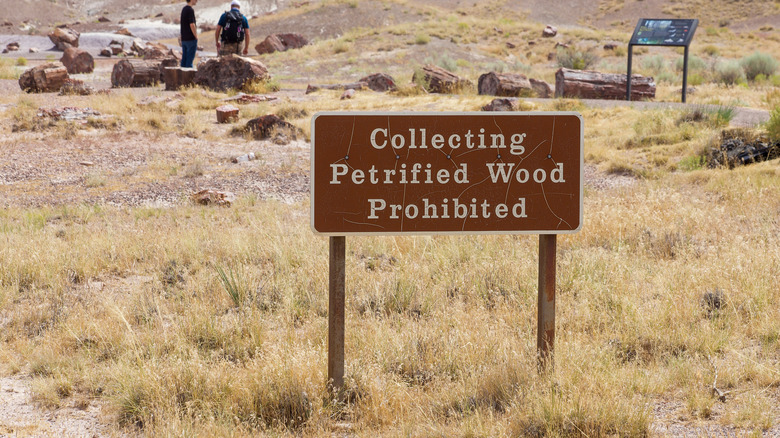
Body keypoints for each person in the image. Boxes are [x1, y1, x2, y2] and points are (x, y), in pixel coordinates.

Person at [180, 0, 198, 67]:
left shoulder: (184, 9)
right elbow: (192, 24)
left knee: (184, 61)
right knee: (189, 61)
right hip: (191, 39)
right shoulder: (190, 10)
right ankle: (189, 77)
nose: (197, 1)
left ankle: (181, 76)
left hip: (184, 39)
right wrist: (196, 36)